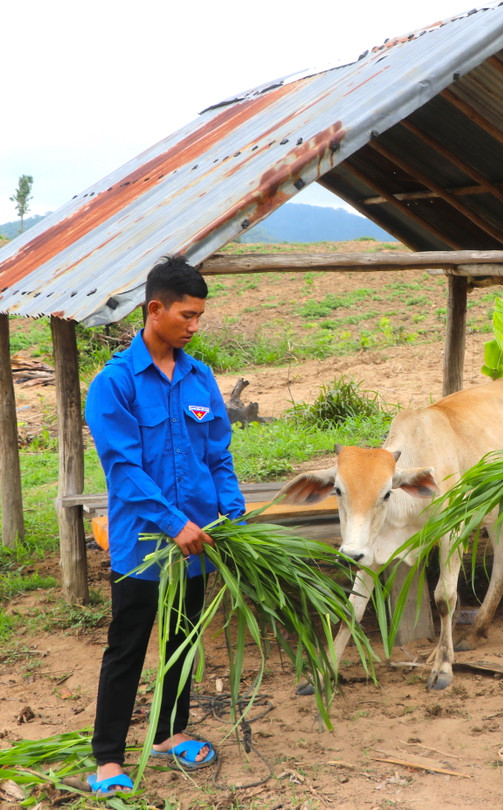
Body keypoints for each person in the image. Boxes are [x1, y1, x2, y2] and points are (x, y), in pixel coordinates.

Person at [84, 255, 245, 797]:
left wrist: (234, 517)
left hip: (199, 540)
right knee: (127, 644)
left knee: (183, 639)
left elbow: (218, 455)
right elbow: (124, 471)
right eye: (187, 316)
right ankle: (108, 758)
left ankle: (168, 734)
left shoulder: (200, 378)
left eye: (200, 316)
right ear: (155, 310)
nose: (195, 326)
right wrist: (175, 523)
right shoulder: (116, 384)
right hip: (144, 544)